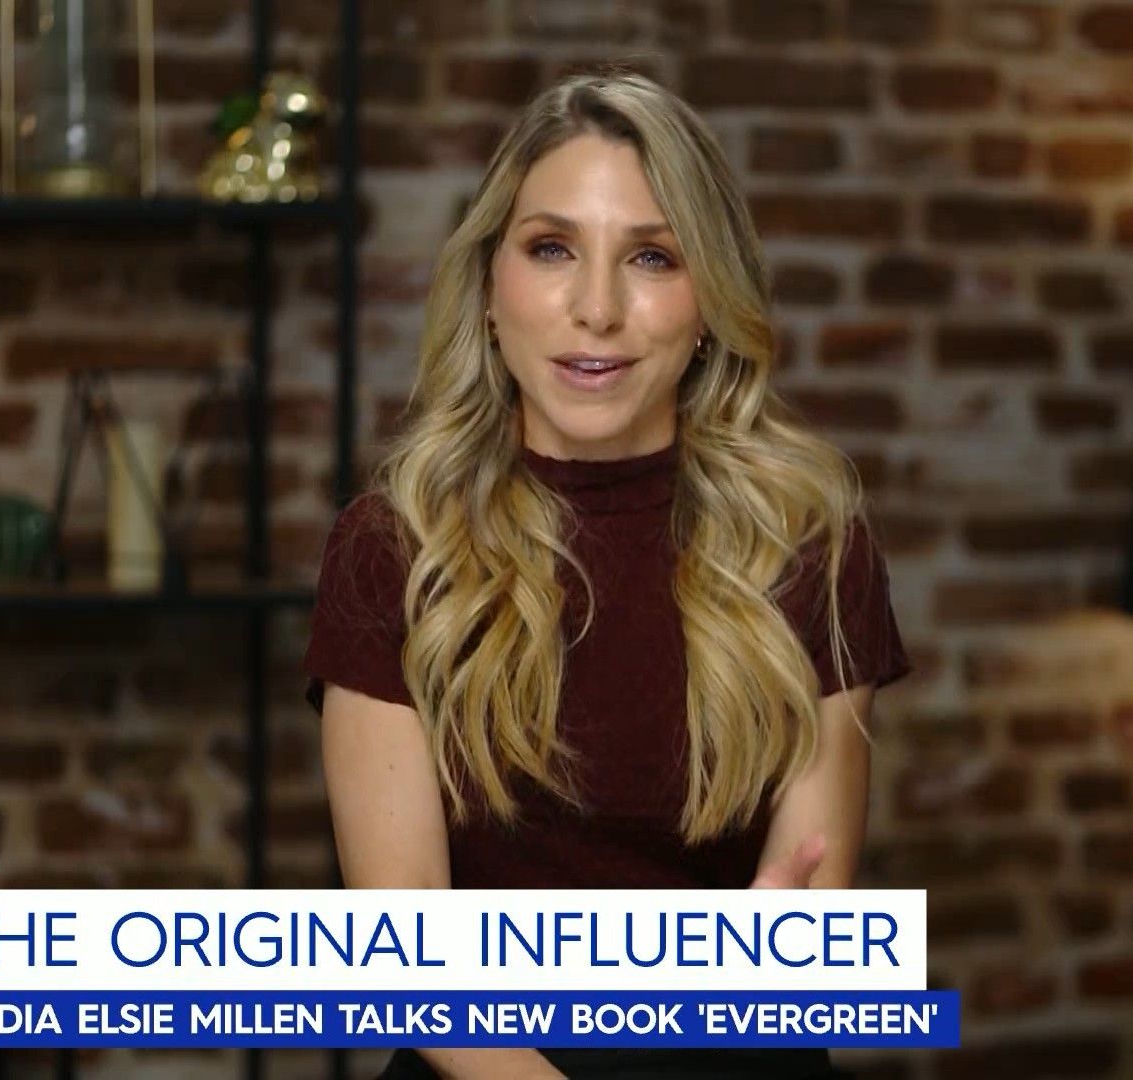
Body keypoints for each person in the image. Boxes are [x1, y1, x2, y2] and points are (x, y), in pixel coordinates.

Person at [302, 69, 911, 1080]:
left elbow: (808, 916)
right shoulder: (393, 548)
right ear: (489, 289)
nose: (597, 308)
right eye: (552, 249)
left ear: (709, 301)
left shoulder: (810, 542)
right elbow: (407, 955)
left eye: (652, 258)